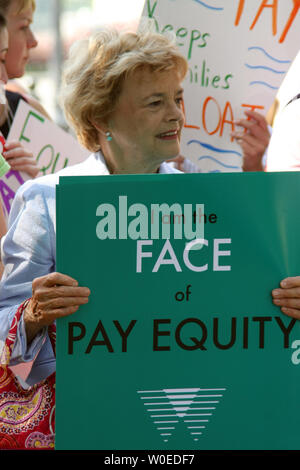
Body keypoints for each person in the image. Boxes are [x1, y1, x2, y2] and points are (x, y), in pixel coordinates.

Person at [0, 26, 299, 389]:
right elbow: (5, 327)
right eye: (155, 103)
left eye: (177, 98)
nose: (175, 115)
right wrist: (32, 315)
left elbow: (248, 309)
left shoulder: (215, 202)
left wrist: (285, 299)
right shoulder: (47, 200)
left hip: (192, 409)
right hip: (83, 419)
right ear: (101, 118)